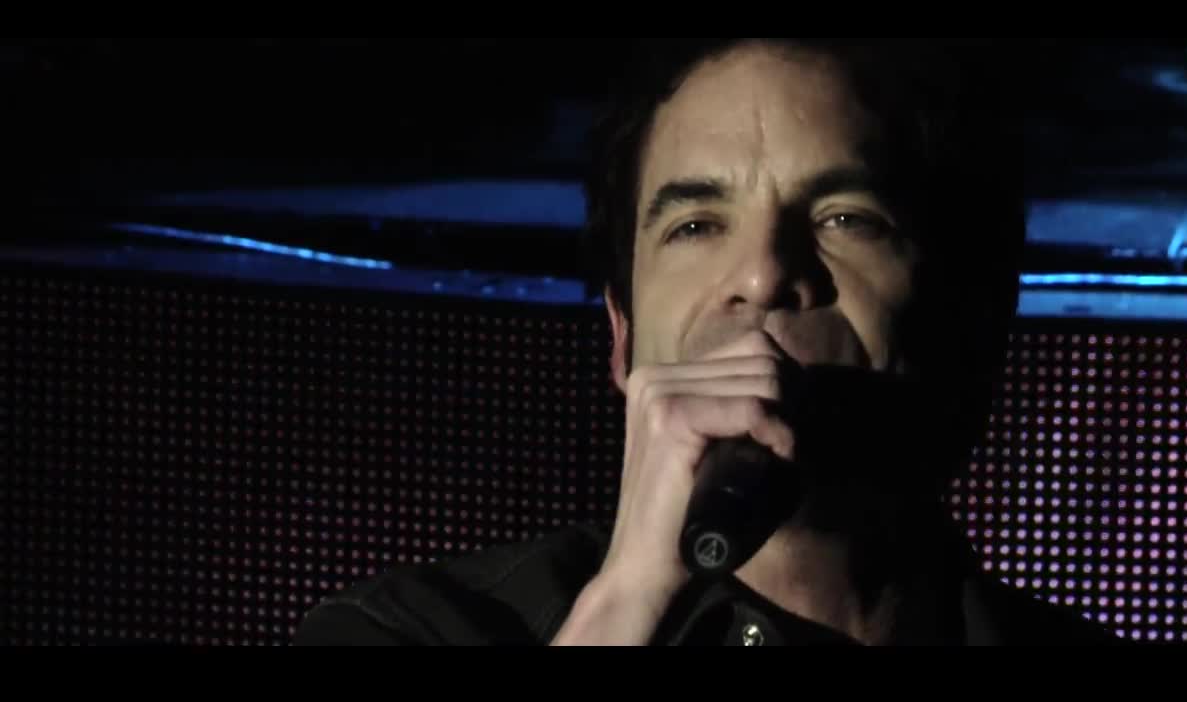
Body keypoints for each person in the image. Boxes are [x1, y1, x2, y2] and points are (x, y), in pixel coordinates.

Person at [293, 38, 1117, 646]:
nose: (762, 275)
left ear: (975, 316)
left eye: (846, 219)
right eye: (695, 226)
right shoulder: (408, 631)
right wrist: (625, 606)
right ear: (621, 336)